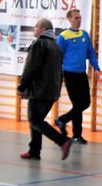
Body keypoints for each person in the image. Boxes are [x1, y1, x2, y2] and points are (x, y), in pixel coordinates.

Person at [17, 18, 72, 161]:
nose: (34, 29)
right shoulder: (55, 46)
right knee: (37, 120)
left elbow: (31, 67)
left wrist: (21, 86)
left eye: (36, 26)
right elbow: (60, 71)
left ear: (42, 28)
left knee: (35, 121)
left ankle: (62, 141)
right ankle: (34, 151)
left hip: (39, 90)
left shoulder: (39, 44)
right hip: (51, 90)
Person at [55, 9, 100, 144]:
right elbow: (57, 55)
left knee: (85, 103)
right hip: (69, 74)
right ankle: (77, 135)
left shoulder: (84, 35)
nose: (79, 20)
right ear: (69, 19)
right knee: (77, 104)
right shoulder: (64, 36)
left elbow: (91, 53)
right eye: (76, 18)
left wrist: (96, 67)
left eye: (80, 17)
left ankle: (62, 120)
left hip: (81, 74)